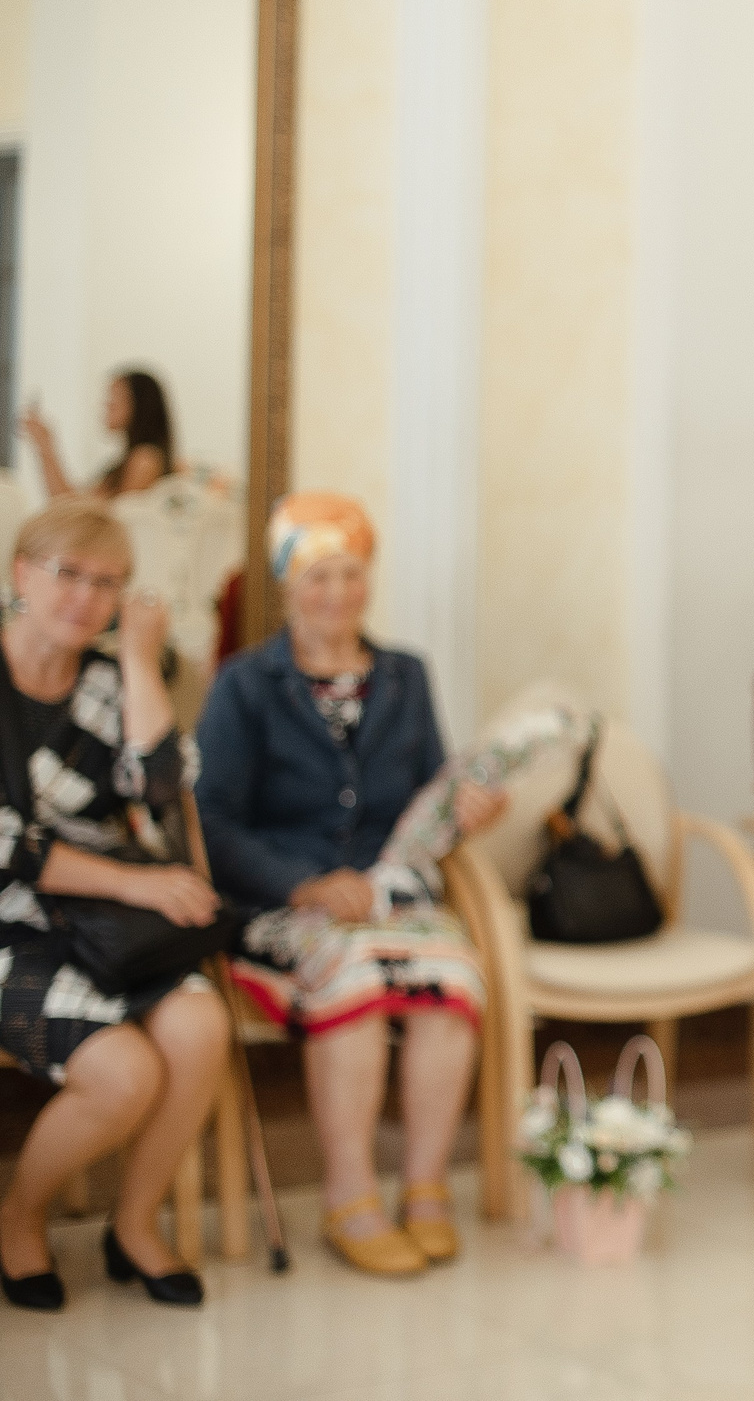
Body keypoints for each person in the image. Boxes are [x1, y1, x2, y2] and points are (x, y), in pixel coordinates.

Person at [197, 493, 505, 1277]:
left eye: (351, 573)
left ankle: (425, 1186)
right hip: (282, 907)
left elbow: (430, 800)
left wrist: (469, 810)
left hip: (391, 900)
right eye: (318, 576)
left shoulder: (406, 675)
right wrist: (304, 883)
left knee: (455, 975)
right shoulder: (243, 684)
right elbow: (213, 823)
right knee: (358, 979)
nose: (336, 593)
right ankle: (349, 1194)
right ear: (287, 584)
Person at [0, 499, 229, 1312]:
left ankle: (133, 1223)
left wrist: (137, 660)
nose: (86, 596)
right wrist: (133, 882)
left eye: (108, 583)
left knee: (200, 1024)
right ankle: (19, 1218)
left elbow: (162, 790)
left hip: (99, 925)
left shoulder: (104, 679)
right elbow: (7, 844)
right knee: (123, 1072)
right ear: (20, 573)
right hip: (11, 922)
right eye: (68, 573)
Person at [18, 369, 175, 501]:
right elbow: (74, 504)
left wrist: (46, 445)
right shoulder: (127, 462)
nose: (107, 405)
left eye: (114, 398)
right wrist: (44, 444)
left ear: (140, 405)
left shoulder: (145, 460)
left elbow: (86, 514)